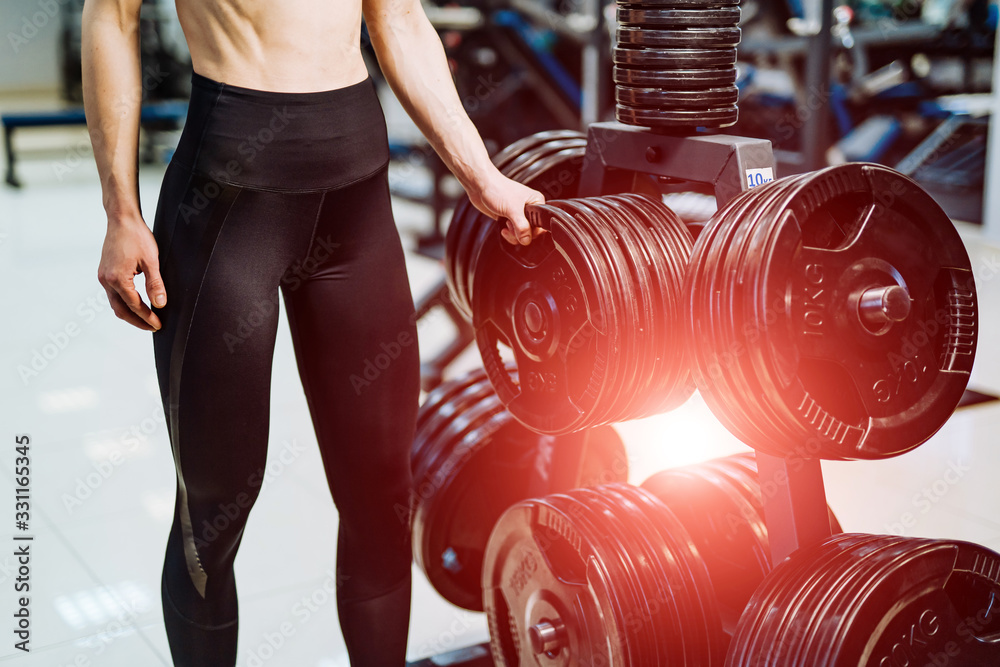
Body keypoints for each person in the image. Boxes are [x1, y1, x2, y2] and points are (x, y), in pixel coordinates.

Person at [82, 0, 545, 664]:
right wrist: (120, 210)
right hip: (228, 202)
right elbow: (113, 19)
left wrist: (482, 176)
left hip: (357, 195)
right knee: (214, 511)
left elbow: (400, 22)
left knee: (381, 496)